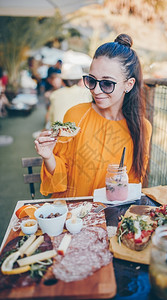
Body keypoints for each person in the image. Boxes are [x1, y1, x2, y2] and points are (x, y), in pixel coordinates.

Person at [35, 33, 152, 198]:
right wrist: (48, 156)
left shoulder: (141, 128)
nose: (96, 91)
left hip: (112, 216)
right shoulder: (75, 115)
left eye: (107, 83)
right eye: (91, 80)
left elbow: (133, 185)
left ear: (129, 84)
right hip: (72, 214)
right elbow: (61, 176)